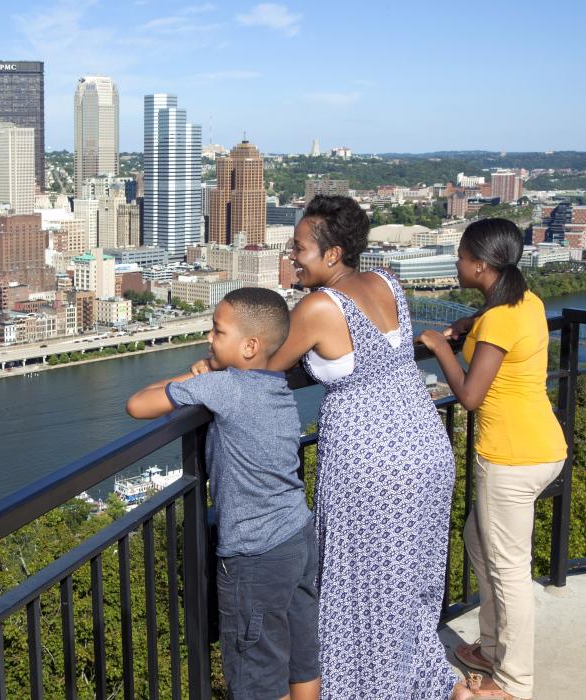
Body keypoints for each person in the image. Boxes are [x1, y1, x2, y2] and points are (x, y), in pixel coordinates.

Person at [267, 195, 456, 699]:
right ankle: (406, 678)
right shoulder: (388, 282)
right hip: (425, 448)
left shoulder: (319, 306)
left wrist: (207, 371)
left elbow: (262, 366)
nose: (292, 256)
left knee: (356, 585)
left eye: (299, 248)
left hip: (372, 462)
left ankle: (362, 686)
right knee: (407, 582)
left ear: (332, 255)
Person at [127, 287, 319, 700]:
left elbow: (138, 405)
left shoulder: (226, 389)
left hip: (255, 554)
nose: (209, 340)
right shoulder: (277, 386)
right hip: (297, 536)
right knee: (301, 657)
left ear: (250, 346)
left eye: (217, 331)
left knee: (258, 673)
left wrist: (202, 377)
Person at [417, 218, 567, 700]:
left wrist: (442, 346)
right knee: (477, 539)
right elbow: (494, 332)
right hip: (543, 448)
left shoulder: (499, 319)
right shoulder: (524, 302)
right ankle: (491, 646)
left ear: (481, 265)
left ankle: (513, 682)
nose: (457, 263)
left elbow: (470, 395)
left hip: (510, 458)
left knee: (509, 572)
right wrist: (468, 325)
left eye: (460, 257)